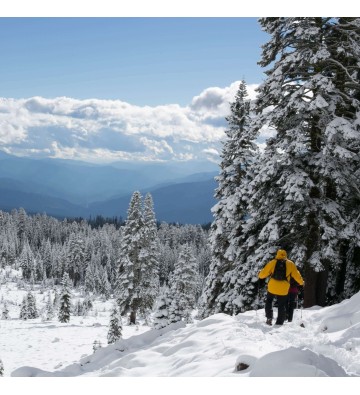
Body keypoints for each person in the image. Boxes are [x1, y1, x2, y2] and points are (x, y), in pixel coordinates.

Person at [258, 249, 304, 326]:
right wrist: (301, 282)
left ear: (277, 254)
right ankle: (279, 322)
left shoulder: (273, 262)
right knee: (281, 304)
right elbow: (296, 275)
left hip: (272, 286)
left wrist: (259, 274)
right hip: (284, 288)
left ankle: (269, 317)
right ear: (285, 255)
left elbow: (263, 273)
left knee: (269, 301)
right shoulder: (290, 264)